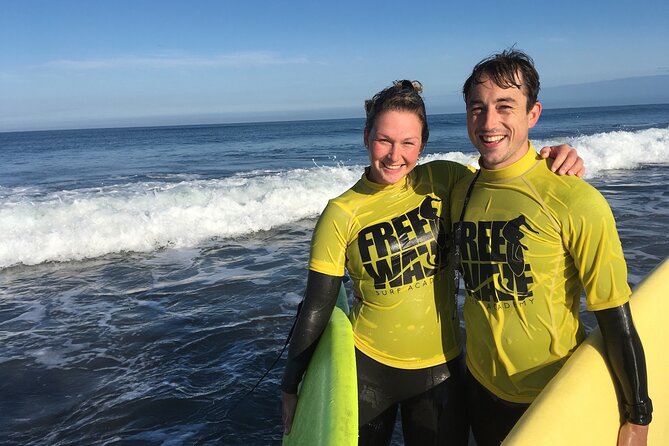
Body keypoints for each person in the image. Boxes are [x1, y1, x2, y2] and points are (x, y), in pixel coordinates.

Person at [281, 80, 583, 446]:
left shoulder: (446, 179)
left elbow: (506, 184)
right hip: (367, 369)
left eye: (408, 143)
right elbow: (318, 304)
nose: (395, 155)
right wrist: (292, 386)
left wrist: (552, 159)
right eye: (384, 140)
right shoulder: (341, 213)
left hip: (442, 369)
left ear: (423, 144)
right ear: (366, 136)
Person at [451, 49, 652, 446]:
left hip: (551, 397)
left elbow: (614, 315)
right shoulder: (459, 190)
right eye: (478, 108)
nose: (489, 122)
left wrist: (638, 416)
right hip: (477, 387)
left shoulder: (575, 199)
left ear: (533, 114)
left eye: (505, 106)